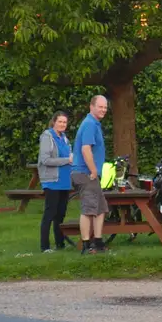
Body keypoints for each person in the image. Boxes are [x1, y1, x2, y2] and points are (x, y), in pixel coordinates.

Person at [73, 94, 110, 254]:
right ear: (91, 106)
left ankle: (98, 242)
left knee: (100, 208)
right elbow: (85, 148)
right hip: (85, 173)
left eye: (105, 107)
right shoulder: (89, 124)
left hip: (90, 173)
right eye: (100, 107)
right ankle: (87, 246)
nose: (103, 110)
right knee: (88, 210)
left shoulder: (95, 124)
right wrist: (94, 170)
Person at [36, 112, 73, 253]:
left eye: (65, 122)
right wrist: (67, 160)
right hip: (52, 181)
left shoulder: (64, 138)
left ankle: (60, 243)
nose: (63, 124)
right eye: (60, 122)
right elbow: (45, 160)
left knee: (61, 214)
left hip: (64, 181)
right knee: (50, 213)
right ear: (54, 122)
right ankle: (45, 246)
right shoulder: (47, 137)